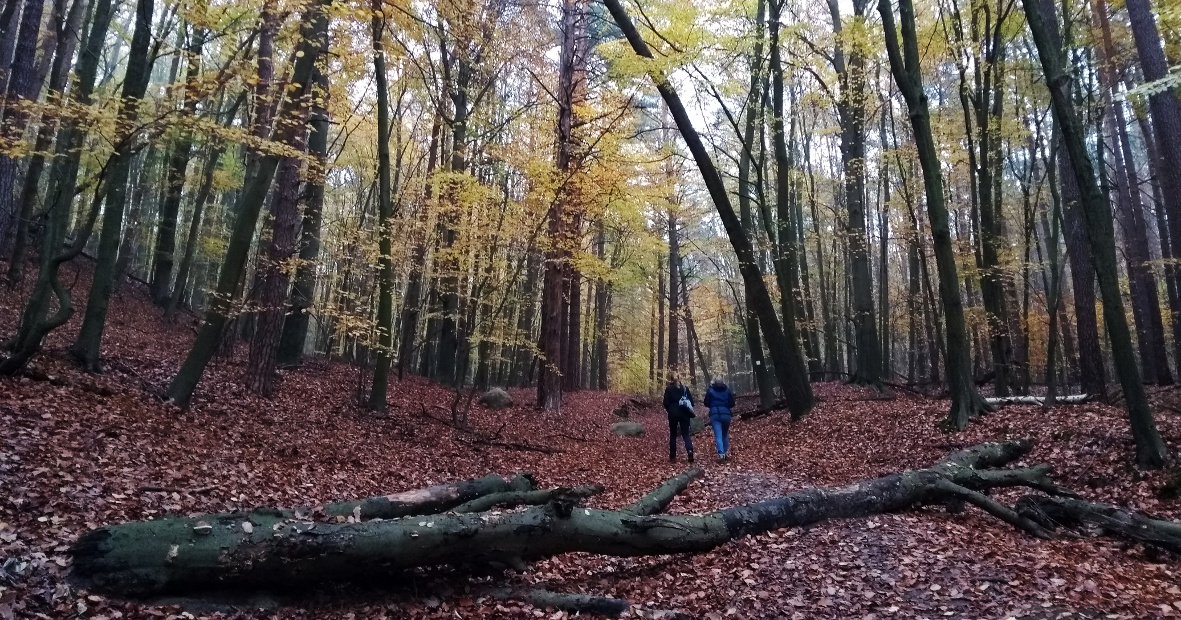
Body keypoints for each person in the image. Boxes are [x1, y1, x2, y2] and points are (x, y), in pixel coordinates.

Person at [662, 372, 695, 463]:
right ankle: (690, 451)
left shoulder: (668, 389)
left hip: (673, 413)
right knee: (686, 434)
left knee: (673, 434)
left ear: (671, 379)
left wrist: (670, 410)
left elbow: (666, 403)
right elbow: (691, 402)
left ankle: (673, 457)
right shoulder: (685, 389)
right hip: (684, 413)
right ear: (679, 379)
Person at [703, 375, 735, 460]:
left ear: (714, 382)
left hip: (715, 414)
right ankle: (725, 452)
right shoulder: (727, 390)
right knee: (725, 434)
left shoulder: (710, 391)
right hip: (726, 414)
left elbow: (706, 403)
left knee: (718, 435)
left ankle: (721, 454)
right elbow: (732, 403)